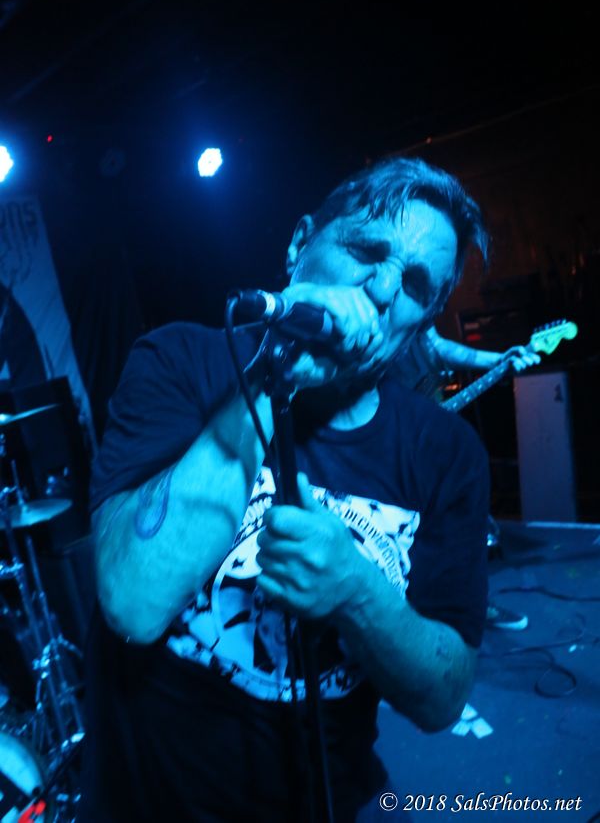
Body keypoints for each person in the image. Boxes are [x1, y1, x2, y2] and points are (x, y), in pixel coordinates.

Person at [78, 157, 492, 822]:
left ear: (424, 321)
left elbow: (442, 699)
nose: (383, 290)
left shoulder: (445, 453)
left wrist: (357, 593)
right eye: (366, 251)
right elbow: (134, 602)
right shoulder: (178, 361)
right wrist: (279, 369)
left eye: (415, 285)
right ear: (300, 243)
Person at [392, 327, 541, 631]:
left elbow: (435, 344)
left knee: (460, 522)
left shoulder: (423, 316)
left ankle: (467, 604)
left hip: (418, 429)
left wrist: (497, 360)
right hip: (383, 435)